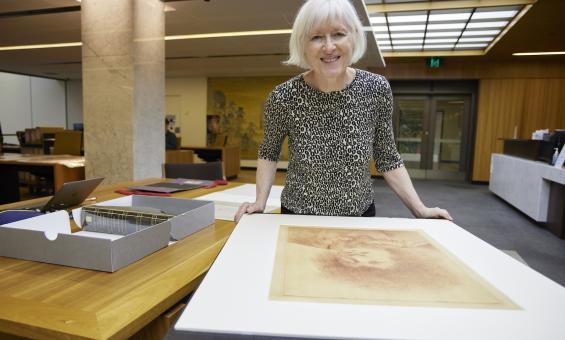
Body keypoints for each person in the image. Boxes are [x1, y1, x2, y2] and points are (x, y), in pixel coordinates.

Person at [235, 0, 451, 222]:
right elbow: (269, 152)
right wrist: (259, 202)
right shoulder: (283, 97)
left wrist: (420, 209)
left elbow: (387, 156)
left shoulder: (376, 89)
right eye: (317, 37)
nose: (329, 47)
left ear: (354, 36)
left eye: (338, 34)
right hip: (298, 216)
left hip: (358, 215)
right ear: (303, 43)